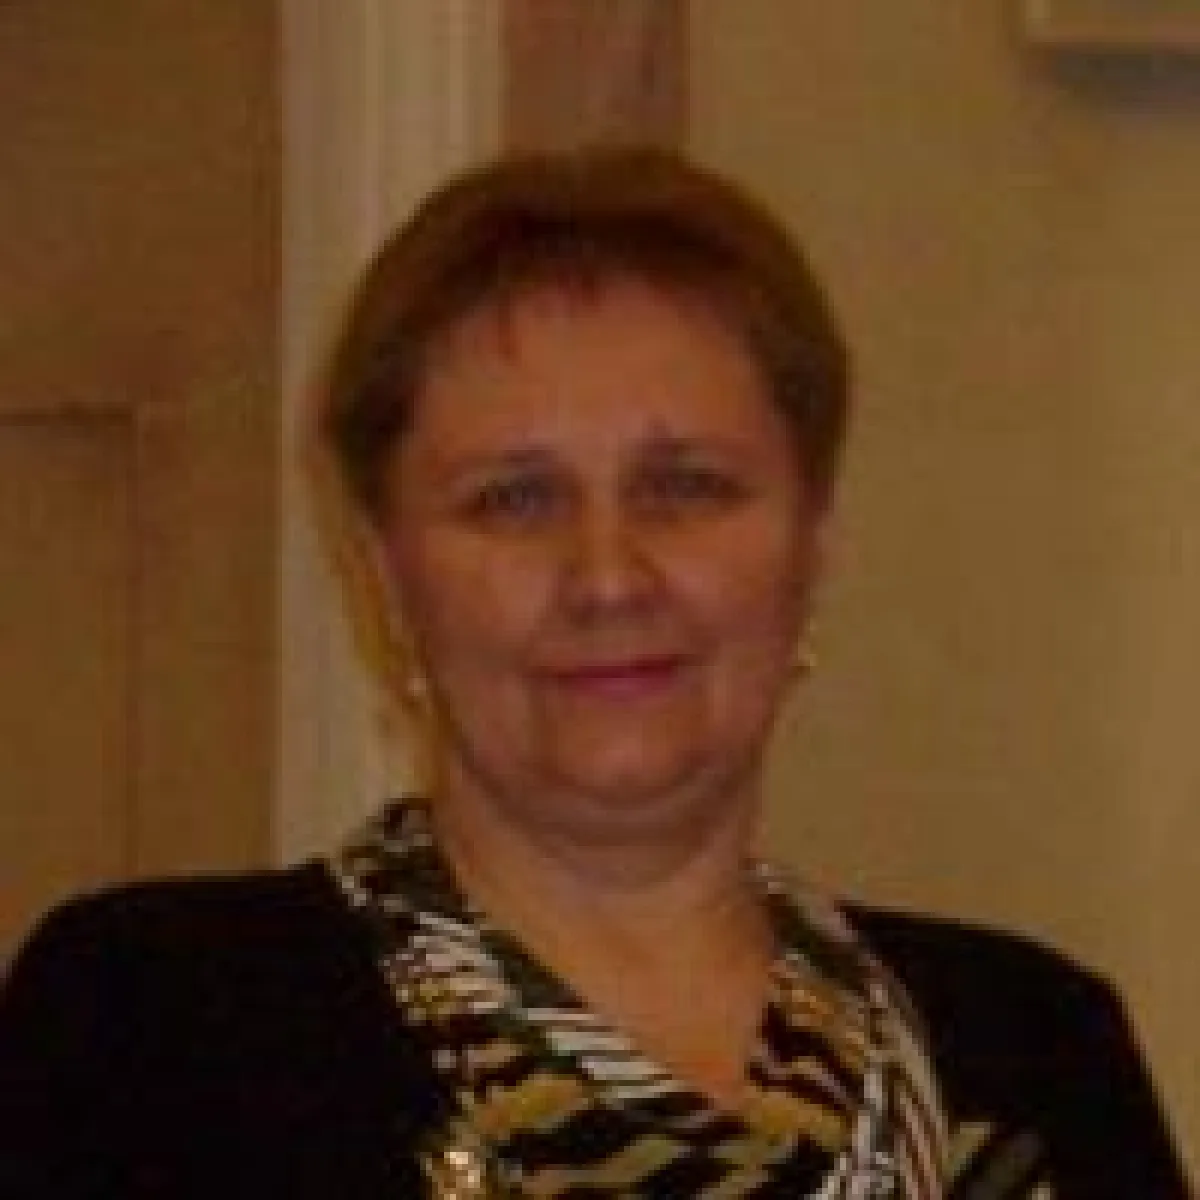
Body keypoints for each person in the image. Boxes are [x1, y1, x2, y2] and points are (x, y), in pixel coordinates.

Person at [0, 147, 1189, 1199]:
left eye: (688, 488)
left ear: (811, 546)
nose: (609, 577)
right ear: (387, 574)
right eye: (514, 500)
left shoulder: (1033, 1055)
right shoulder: (153, 1028)